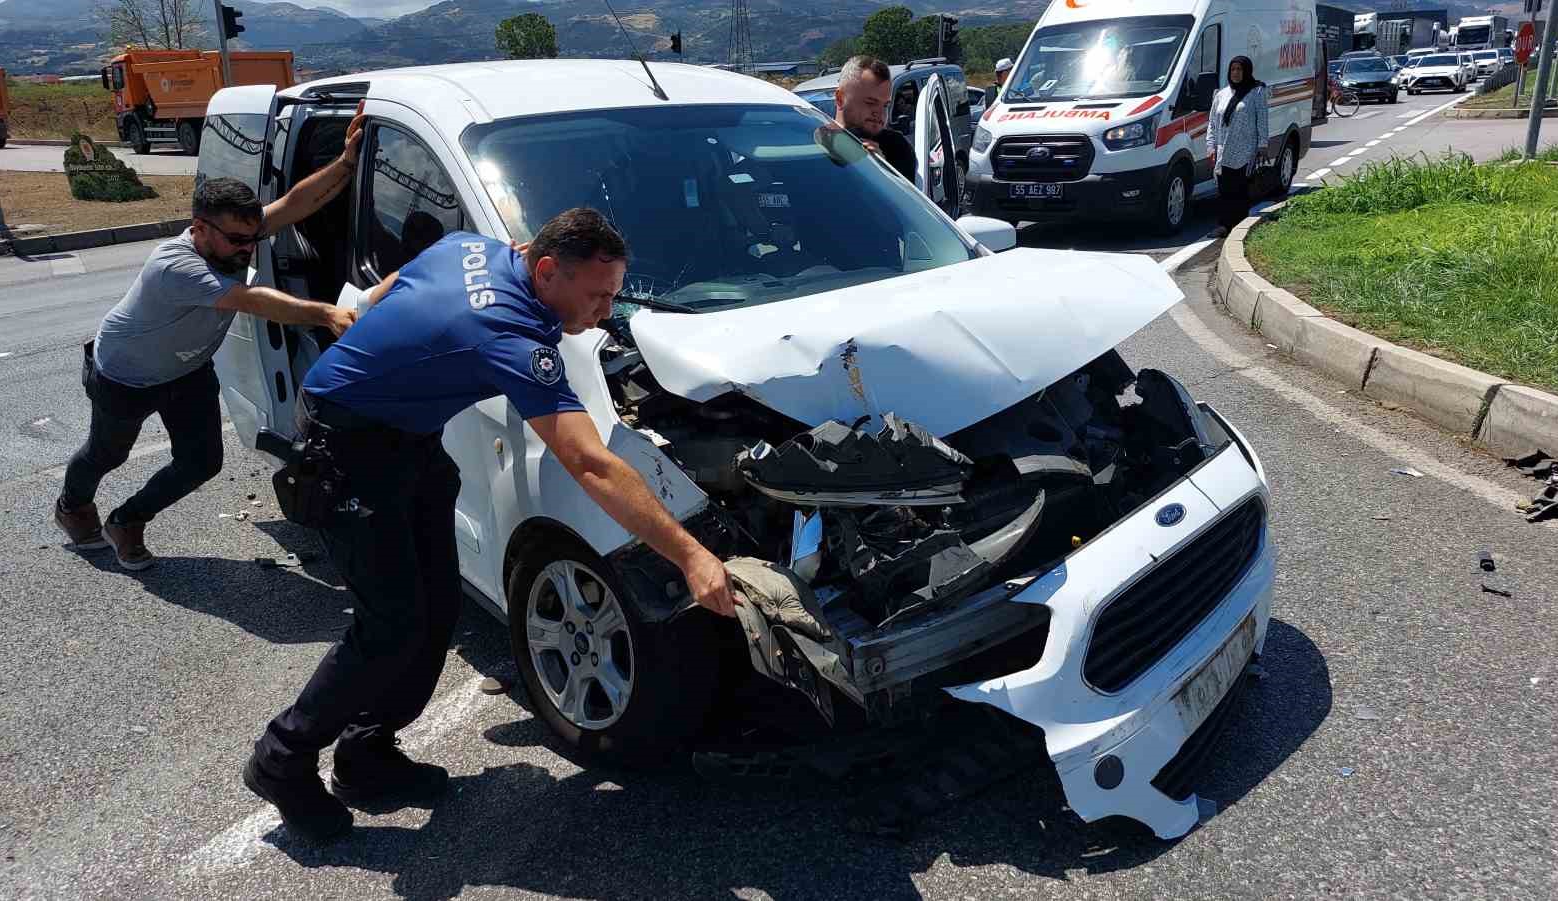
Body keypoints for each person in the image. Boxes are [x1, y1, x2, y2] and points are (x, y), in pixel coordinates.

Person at [241, 207, 738, 843]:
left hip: (407, 439)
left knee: (436, 607)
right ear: (547, 269)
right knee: (388, 625)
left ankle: (366, 754)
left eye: (613, 293)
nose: (606, 310)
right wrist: (691, 555)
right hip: (347, 448)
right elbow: (590, 462)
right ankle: (281, 759)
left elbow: (391, 286)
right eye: (598, 295)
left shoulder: (471, 248)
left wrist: (371, 331)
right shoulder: (509, 334)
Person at [54, 108, 368, 570]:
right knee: (107, 453)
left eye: (253, 237)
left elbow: (295, 203)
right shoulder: (175, 265)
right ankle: (72, 506)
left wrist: (345, 163)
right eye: (238, 240)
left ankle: (127, 519)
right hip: (125, 375)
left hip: (188, 370)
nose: (248, 248)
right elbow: (250, 300)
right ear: (200, 228)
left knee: (201, 462)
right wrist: (327, 314)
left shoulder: (233, 236)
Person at [1207, 55, 1269, 237]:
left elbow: (1262, 120)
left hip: (1245, 150)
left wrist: (1263, 145)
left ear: (1246, 71)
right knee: (1224, 190)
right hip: (1223, 149)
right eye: (1233, 69)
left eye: (1239, 69)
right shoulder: (1221, 94)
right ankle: (1224, 225)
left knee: (1240, 190)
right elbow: (1212, 122)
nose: (1235, 73)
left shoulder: (1256, 92)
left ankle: (1239, 227)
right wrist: (1210, 146)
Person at [833, 55, 918, 184]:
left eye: (885, 105)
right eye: (870, 103)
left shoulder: (897, 147)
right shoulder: (813, 143)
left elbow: (907, 195)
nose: (880, 113)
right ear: (840, 99)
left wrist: (883, 170)